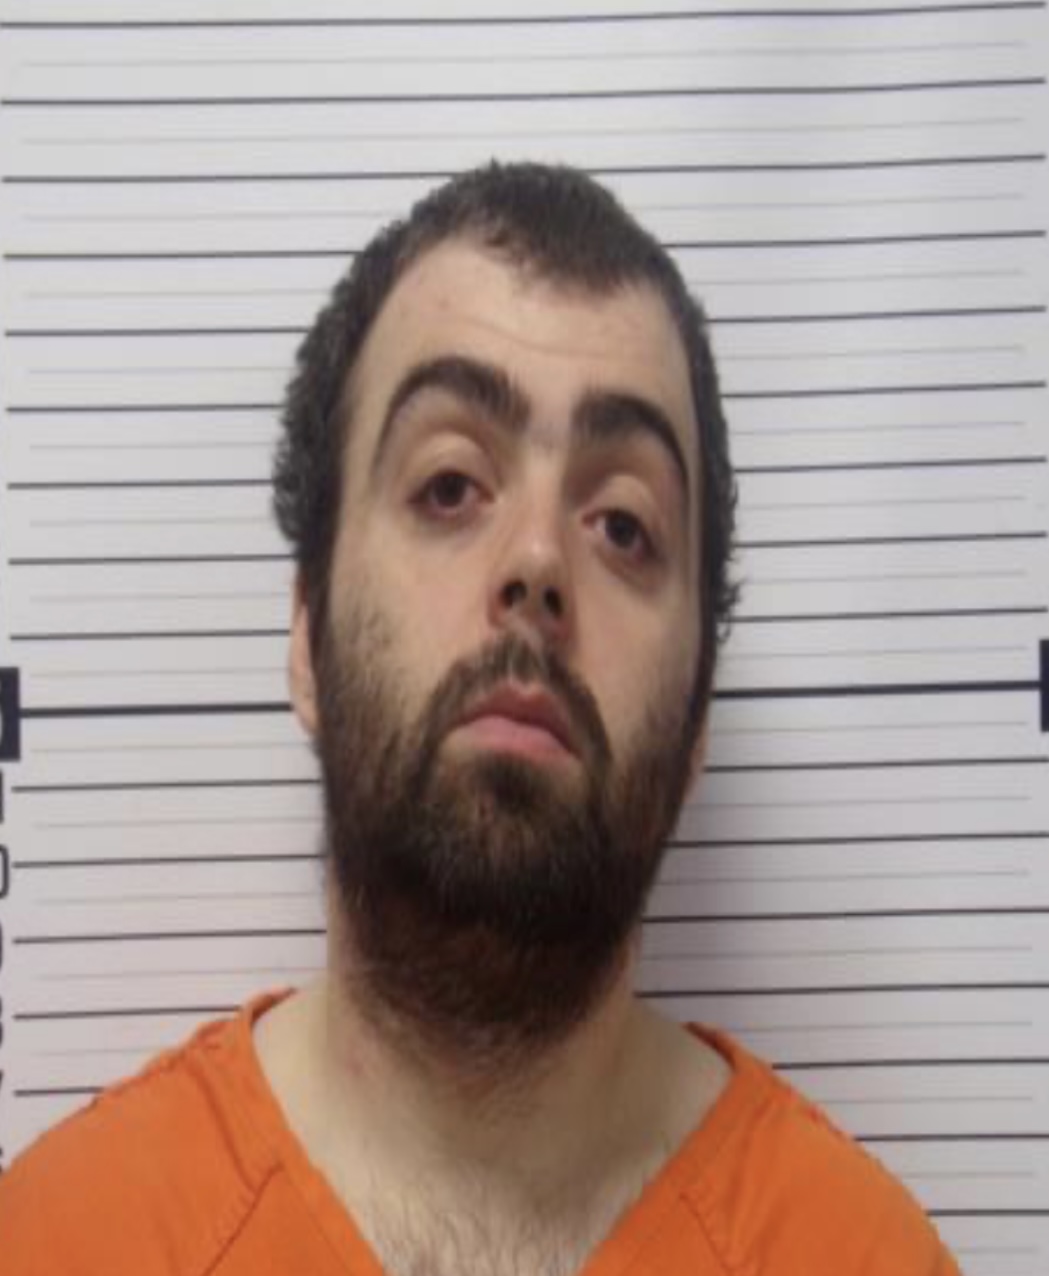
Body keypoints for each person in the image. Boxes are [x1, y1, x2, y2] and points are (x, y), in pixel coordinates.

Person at [0, 162, 961, 1275]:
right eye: (449, 485)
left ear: (697, 713)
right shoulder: (60, 1242)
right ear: (308, 633)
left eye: (622, 525)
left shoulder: (860, 1257)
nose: (537, 561)